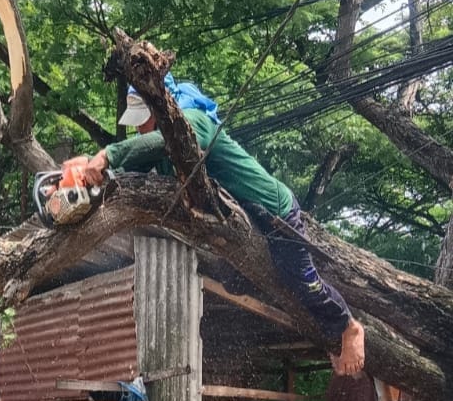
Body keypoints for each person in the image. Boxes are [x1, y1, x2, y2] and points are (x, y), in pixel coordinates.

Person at [65, 74, 365, 376]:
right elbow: (133, 164)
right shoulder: (165, 149)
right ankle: (330, 335)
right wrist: (92, 167)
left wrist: (108, 154)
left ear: (160, 108)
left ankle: (348, 326)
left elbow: (152, 143)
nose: (139, 127)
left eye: (143, 118)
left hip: (274, 212)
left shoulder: (192, 122)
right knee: (236, 281)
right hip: (245, 224)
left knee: (301, 280)